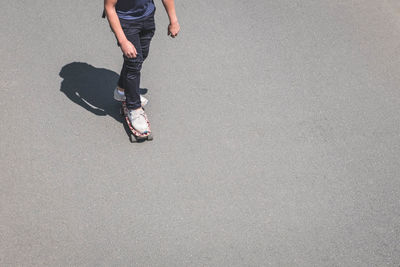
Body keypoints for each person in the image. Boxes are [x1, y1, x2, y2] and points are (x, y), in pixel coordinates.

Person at [104, 0, 180, 133]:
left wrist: (173, 20)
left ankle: (122, 90)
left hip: (147, 17)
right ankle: (134, 108)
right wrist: (123, 41)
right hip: (125, 22)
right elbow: (109, 8)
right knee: (134, 62)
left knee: (140, 56)